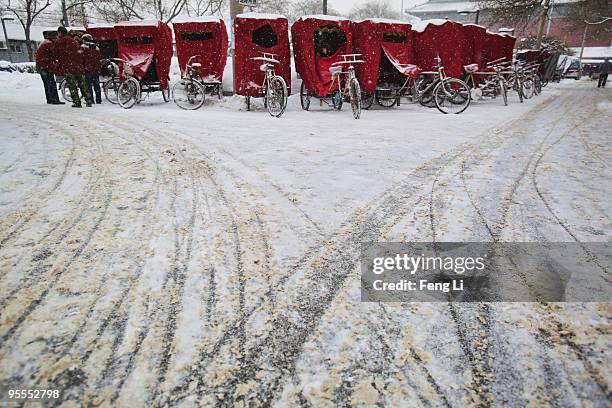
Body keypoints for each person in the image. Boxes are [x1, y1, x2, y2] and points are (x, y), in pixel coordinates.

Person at [53, 26, 93, 107]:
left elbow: (56, 53)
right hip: (79, 65)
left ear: (60, 33)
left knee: (72, 85)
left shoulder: (60, 41)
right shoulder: (73, 40)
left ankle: (77, 102)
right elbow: (80, 51)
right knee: (83, 84)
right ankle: (88, 100)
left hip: (69, 66)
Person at [35, 35, 64, 104]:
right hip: (46, 67)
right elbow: (54, 55)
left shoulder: (43, 43)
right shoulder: (49, 44)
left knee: (47, 84)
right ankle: (55, 100)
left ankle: (49, 99)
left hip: (41, 67)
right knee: (51, 83)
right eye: (55, 38)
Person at [81, 34, 102, 104]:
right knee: (96, 85)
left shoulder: (83, 47)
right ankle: (98, 100)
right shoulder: (96, 48)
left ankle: (90, 100)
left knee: (88, 85)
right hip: (95, 69)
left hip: (88, 69)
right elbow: (98, 58)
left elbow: (81, 58)